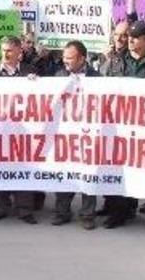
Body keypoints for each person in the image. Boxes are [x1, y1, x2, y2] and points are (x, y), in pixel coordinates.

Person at [101, 20, 145, 232]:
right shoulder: (117, 61)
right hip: (122, 125)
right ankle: (119, 213)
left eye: (136, 37)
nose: (130, 40)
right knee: (121, 169)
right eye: (129, 36)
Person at [0, 36, 38, 224]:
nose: (5, 54)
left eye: (9, 50)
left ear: (18, 52)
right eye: (3, 50)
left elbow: (41, 98)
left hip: (23, 133)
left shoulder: (30, 72)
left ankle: (24, 210)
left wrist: (36, 84)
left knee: (23, 169)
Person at [51, 40, 99, 230]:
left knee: (88, 174)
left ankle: (88, 214)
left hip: (88, 133)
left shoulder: (97, 78)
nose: (65, 61)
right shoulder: (59, 75)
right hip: (66, 133)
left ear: (82, 58)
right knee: (65, 173)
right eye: (64, 57)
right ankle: (62, 212)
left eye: (70, 58)